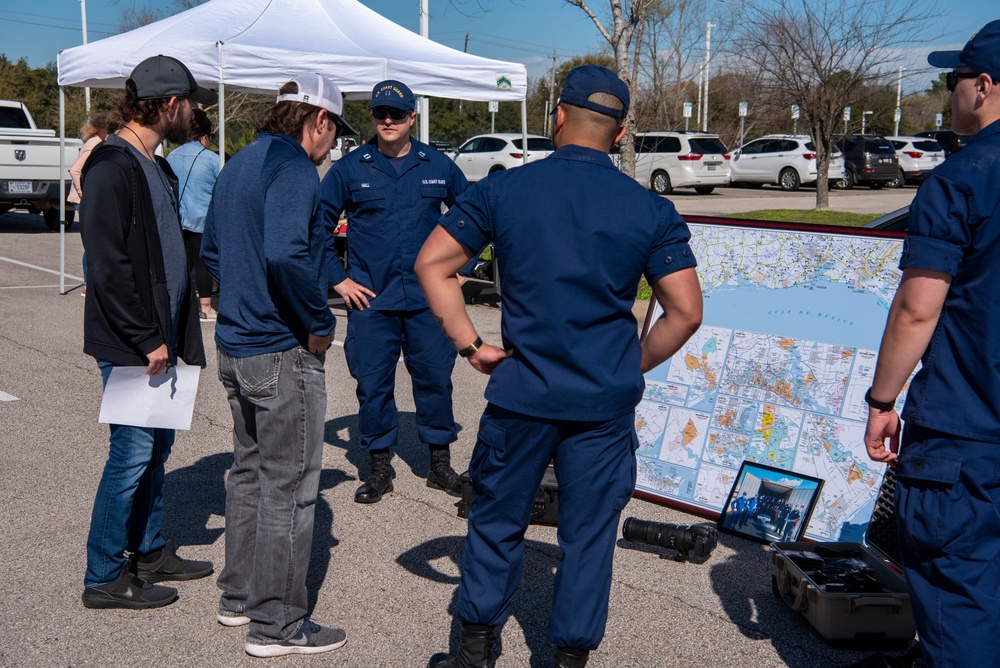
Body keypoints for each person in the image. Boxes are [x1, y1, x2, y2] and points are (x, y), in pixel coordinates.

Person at [415, 65, 704, 668]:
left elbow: (433, 266)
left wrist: (471, 346)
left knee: (496, 521)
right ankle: (569, 658)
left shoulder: (502, 190)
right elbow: (686, 312)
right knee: (589, 537)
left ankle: (474, 650)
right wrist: (632, 363)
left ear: (558, 118)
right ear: (621, 133)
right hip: (602, 404)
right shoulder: (650, 209)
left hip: (521, 395)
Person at [201, 73, 354, 658]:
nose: (332, 146)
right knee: (289, 488)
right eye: (334, 133)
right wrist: (319, 320)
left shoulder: (239, 162)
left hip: (236, 347)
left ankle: (238, 598)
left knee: (249, 474)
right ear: (318, 121)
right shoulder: (292, 168)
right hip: (280, 348)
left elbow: (212, 249)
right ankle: (279, 625)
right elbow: (288, 252)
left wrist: (238, 296)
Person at [863, 20, 1000, 668]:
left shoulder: (962, 178)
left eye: (954, 82)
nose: (952, 96)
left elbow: (917, 311)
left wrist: (881, 398)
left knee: (959, 595)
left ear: (983, 86)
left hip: (968, 434)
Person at [79, 55, 215, 610]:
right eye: (190, 102)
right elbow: (108, 264)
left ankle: (150, 550)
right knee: (132, 453)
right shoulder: (113, 165)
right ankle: (105, 575)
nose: (195, 111)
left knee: (156, 448)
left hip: (162, 341)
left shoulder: (154, 165)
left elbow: (169, 250)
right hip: (136, 343)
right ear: (167, 104)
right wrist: (145, 336)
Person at [320, 79, 469, 504]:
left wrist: (463, 267)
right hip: (373, 300)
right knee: (372, 385)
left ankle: (439, 465)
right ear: (373, 118)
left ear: (412, 118)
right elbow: (318, 228)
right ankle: (379, 467)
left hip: (428, 301)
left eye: (397, 114)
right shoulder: (350, 169)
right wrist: (338, 279)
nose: (388, 120)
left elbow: (474, 215)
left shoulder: (438, 165)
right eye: (381, 113)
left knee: (436, 381)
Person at [166, 108, 220, 320]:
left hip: (177, 218)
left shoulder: (171, 155)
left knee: (182, 262)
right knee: (202, 262)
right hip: (203, 219)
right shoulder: (211, 159)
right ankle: (206, 307)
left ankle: (179, 302)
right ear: (205, 136)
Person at [68, 110, 123, 295]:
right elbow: (75, 170)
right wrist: (83, 192)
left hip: (85, 197)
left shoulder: (98, 142)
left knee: (95, 242)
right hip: (83, 199)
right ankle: (87, 283)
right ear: (100, 129)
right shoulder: (94, 144)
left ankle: (91, 282)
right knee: (92, 243)